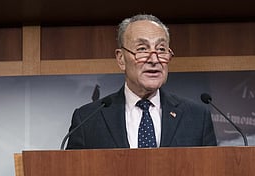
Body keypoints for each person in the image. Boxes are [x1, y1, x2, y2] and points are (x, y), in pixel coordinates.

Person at [64, 13, 217, 149]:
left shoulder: (197, 117)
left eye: (161, 49)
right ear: (121, 59)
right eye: (142, 49)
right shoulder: (87, 120)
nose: (154, 59)